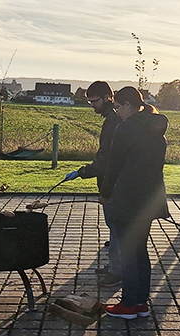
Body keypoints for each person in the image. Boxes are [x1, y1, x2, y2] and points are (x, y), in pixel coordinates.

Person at [100, 86, 169, 319]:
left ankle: (128, 304)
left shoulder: (126, 128)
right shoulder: (155, 127)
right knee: (140, 251)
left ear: (128, 105)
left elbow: (113, 165)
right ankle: (140, 302)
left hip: (127, 197)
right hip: (148, 199)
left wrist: (105, 192)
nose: (117, 111)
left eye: (118, 107)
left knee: (129, 251)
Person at [63, 81, 123, 285]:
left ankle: (116, 272)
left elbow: (107, 160)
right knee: (113, 228)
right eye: (89, 101)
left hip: (113, 185)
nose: (92, 106)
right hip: (110, 183)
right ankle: (114, 266)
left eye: (94, 101)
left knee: (116, 229)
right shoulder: (112, 118)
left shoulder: (114, 121)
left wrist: (82, 172)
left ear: (108, 97)